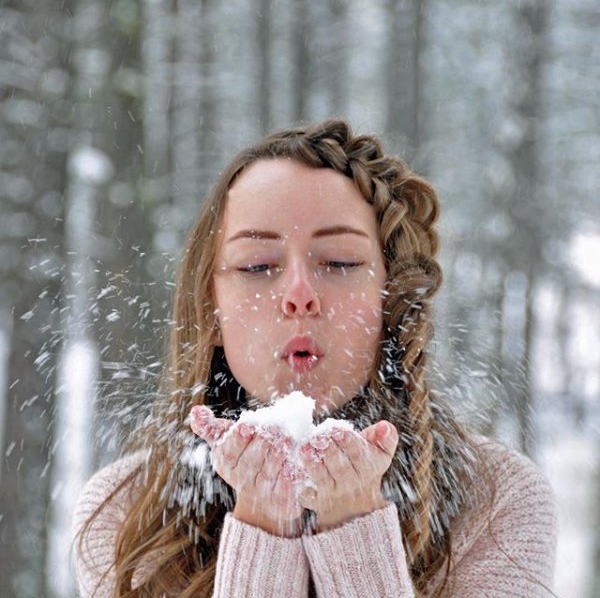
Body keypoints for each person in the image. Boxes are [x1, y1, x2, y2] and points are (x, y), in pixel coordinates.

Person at [73, 119, 557, 597]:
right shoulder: (123, 516)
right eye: (258, 266)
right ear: (211, 310)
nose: (299, 295)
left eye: (340, 262)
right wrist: (263, 527)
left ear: (391, 302)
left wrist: (355, 527)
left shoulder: (496, 499)